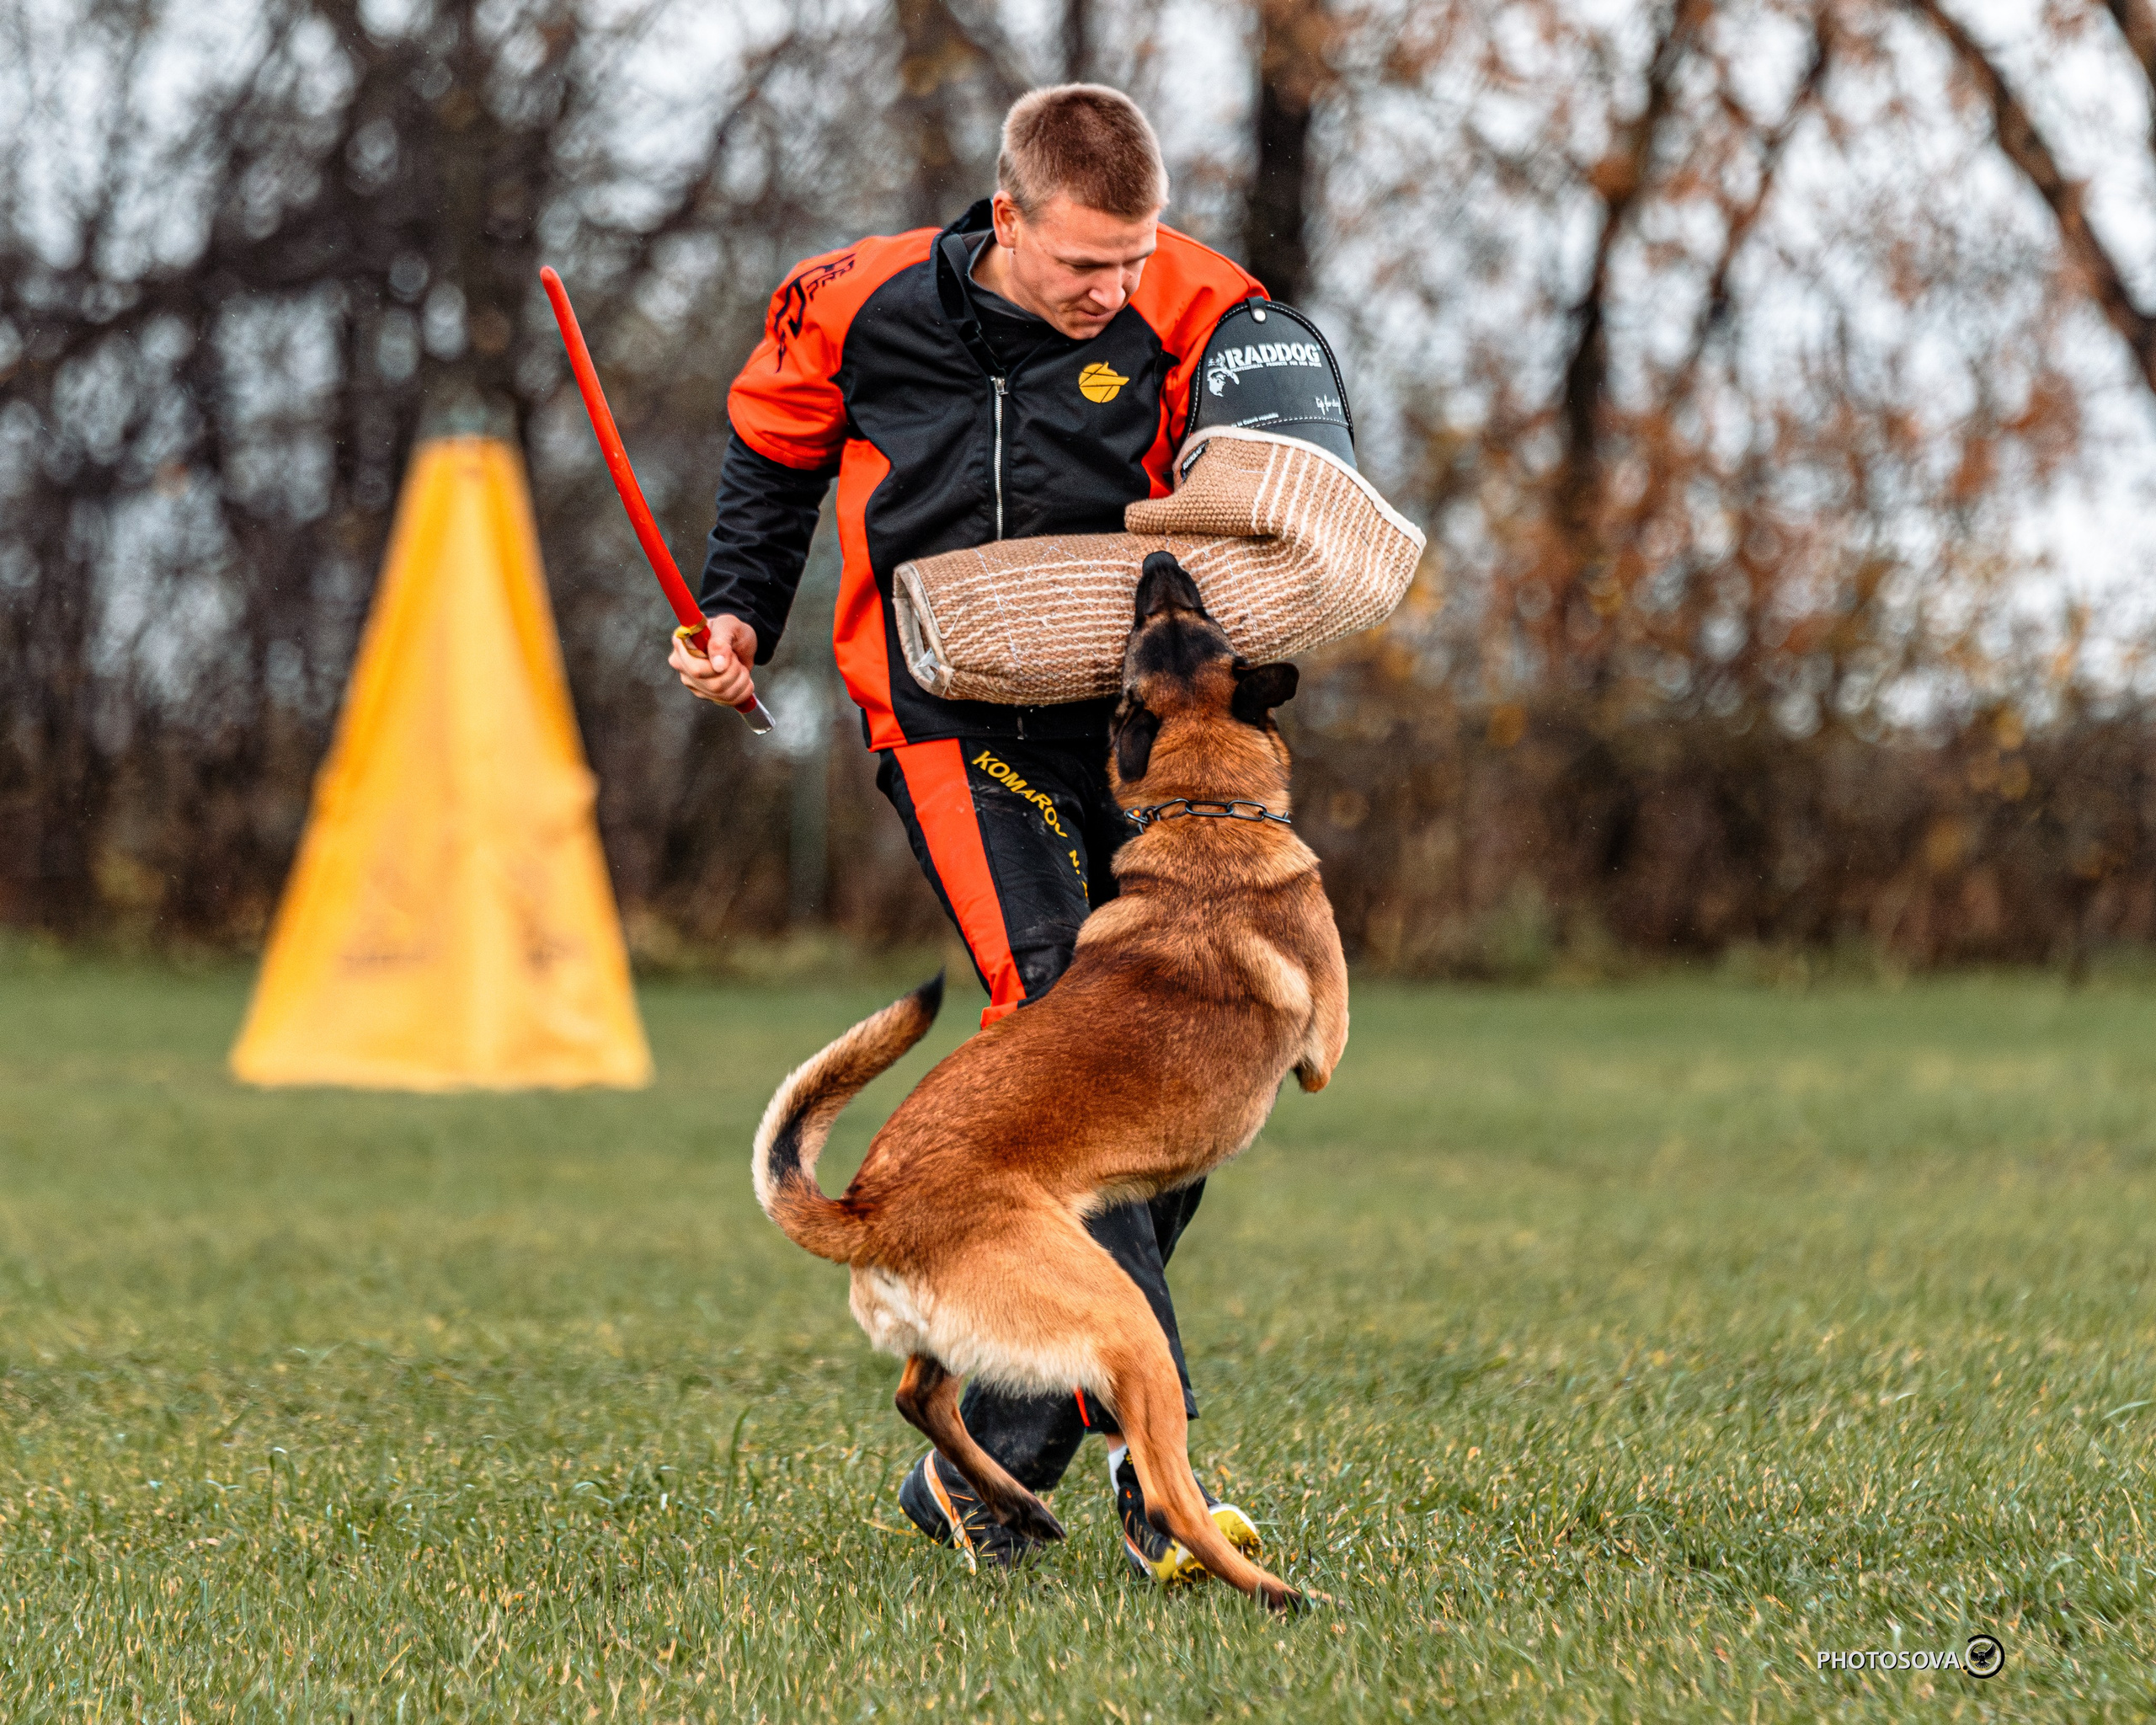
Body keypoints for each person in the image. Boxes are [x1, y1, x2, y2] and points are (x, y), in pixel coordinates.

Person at [670, 83, 1267, 1583]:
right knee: (1062, 1010)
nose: (1114, 289)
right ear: (1007, 218)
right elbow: (773, 454)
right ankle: (1152, 1480)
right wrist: (735, 612)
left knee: (1172, 1068)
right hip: (945, 721)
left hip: (1125, 732)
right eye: (1084, 262)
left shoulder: (1203, 304)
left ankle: (987, 1460)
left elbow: (1273, 476)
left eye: (1133, 259)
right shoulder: (852, 301)